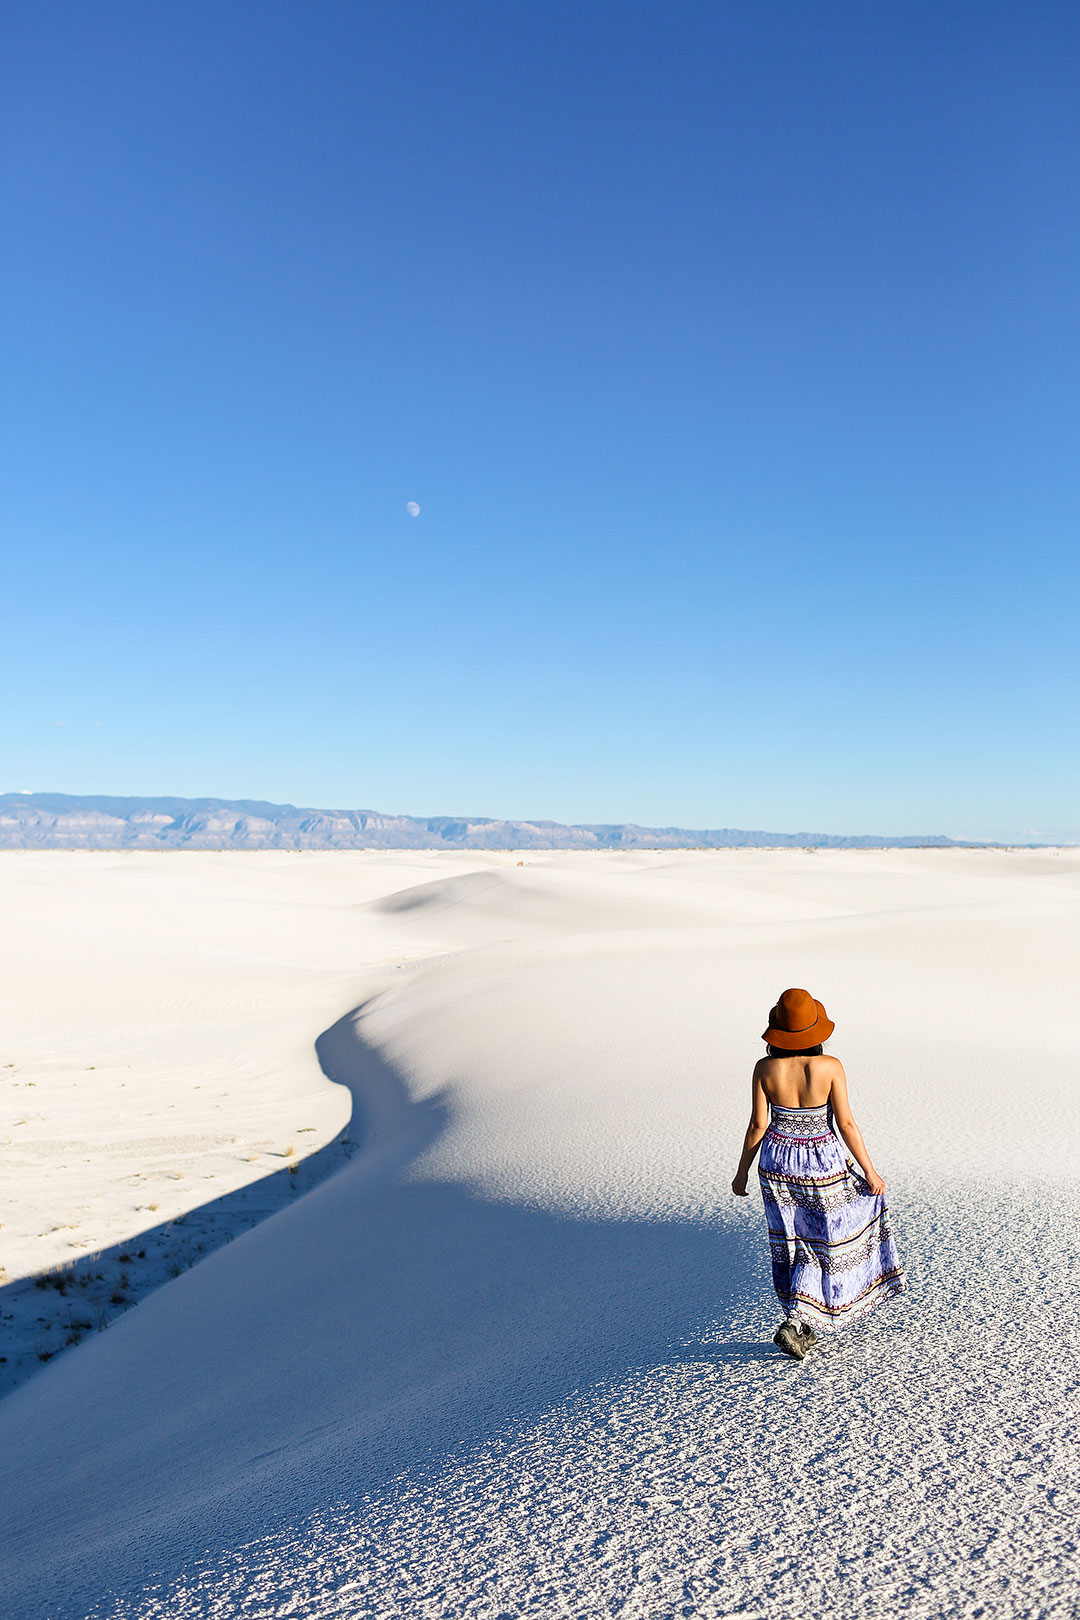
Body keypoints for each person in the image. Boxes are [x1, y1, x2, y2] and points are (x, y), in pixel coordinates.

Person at [731, 987, 906, 1360]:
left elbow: (757, 1126)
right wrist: (870, 1172)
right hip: (822, 1163)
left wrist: (742, 1173)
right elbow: (846, 1123)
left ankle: (802, 1325)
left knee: (794, 1242)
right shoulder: (829, 1067)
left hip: (776, 1164)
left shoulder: (764, 1069)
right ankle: (798, 1322)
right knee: (826, 1242)